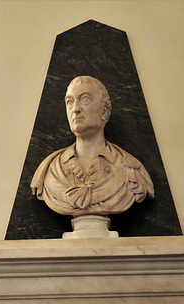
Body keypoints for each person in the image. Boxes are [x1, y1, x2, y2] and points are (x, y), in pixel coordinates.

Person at [31, 76, 154, 217]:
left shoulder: (129, 169)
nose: (75, 109)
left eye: (85, 99)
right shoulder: (52, 170)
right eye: (70, 102)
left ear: (104, 110)